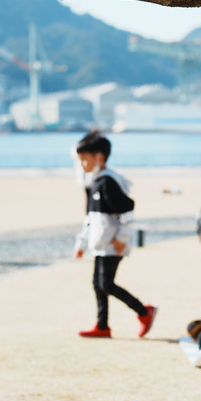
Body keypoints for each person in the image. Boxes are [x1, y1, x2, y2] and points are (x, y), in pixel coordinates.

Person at [73, 130, 156, 339]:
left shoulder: (108, 182)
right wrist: (82, 243)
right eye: (80, 160)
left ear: (99, 157)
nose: (82, 165)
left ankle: (144, 312)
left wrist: (123, 238)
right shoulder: (94, 182)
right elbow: (91, 218)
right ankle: (102, 326)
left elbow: (128, 210)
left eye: (85, 159)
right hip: (100, 242)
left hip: (113, 243)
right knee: (97, 284)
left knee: (105, 284)